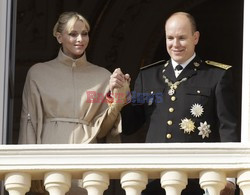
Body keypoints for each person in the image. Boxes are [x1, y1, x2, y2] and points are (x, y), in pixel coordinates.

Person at [109, 12, 239, 195]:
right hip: (154, 179)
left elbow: (228, 128)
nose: (175, 44)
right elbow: (130, 125)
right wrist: (119, 98)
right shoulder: (148, 77)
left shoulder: (216, 76)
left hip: (199, 179)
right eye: (170, 38)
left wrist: (229, 179)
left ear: (196, 37)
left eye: (182, 38)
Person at [18, 11, 127, 194]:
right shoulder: (38, 73)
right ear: (59, 37)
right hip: (49, 154)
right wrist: (27, 172)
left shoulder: (103, 76)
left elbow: (104, 129)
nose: (80, 39)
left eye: (84, 34)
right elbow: (29, 124)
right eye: (73, 34)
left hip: (87, 159)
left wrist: (118, 99)